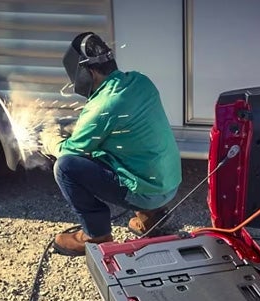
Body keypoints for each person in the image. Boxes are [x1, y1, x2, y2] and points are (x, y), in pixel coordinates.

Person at [41, 32, 182, 256]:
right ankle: (152, 215)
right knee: (111, 152)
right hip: (170, 183)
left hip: (148, 193)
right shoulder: (140, 81)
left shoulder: (103, 105)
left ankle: (96, 235)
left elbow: (70, 150)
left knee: (65, 167)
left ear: (89, 72)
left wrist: (50, 141)